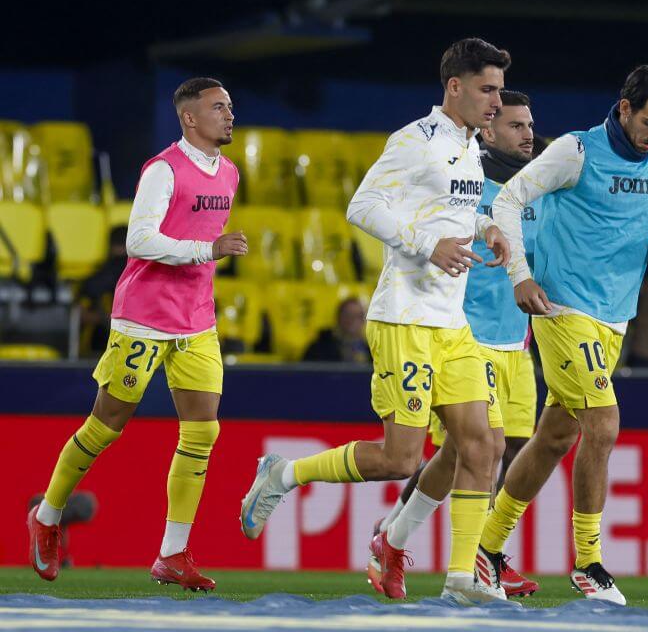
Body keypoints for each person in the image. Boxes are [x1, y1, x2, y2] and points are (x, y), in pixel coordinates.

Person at [239, 38, 514, 606]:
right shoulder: (415, 140)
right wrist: (427, 244)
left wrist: (486, 225)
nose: (496, 102)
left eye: (500, 91)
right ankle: (285, 474)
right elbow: (362, 205)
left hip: (451, 324)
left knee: (481, 446)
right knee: (401, 459)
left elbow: (450, 207)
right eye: (487, 89)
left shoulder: (469, 148)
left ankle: (461, 578)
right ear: (455, 87)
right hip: (404, 318)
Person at [485, 64, 648, 604]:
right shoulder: (575, 152)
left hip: (615, 317)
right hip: (563, 308)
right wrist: (521, 276)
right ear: (625, 108)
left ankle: (486, 548)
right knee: (603, 425)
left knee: (556, 436)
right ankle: (589, 563)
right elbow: (507, 200)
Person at [27, 77, 246, 592]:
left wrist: (203, 262)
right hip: (143, 317)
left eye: (230, 106)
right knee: (107, 423)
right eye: (218, 107)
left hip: (196, 319)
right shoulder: (163, 169)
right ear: (189, 118)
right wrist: (206, 252)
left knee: (203, 431)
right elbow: (140, 240)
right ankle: (48, 515)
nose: (229, 115)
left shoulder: (231, 173)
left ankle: (172, 554)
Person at [368, 90, 541, 599]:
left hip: (516, 340)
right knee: (478, 449)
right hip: (466, 334)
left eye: (530, 125)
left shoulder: (535, 192)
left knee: (496, 449)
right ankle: (474, 562)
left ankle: (398, 538)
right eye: (515, 125)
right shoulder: (466, 188)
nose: (528, 134)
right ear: (487, 132)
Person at [79, 226, 128, 355]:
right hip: (99, 348)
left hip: (123, 347)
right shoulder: (97, 280)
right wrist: (104, 319)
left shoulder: (95, 280)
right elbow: (79, 315)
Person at [302, 297, 371, 363]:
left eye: (357, 316)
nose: (352, 320)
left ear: (363, 320)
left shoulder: (371, 352)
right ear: (338, 318)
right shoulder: (320, 348)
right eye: (347, 315)